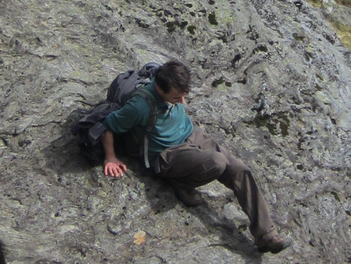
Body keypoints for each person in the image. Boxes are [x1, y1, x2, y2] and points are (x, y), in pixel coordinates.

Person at [100, 59, 290, 253]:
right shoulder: (139, 106)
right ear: (159, 88)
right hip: (168, 155)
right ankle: (181, 183)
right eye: (176, 99)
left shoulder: (172, 84)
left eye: (183, 96)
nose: (182, 102)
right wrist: (110, 157)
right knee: (217, 162)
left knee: (241, 170)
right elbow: (109, 125)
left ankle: (266, 235)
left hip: (193, 135)